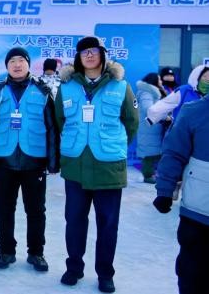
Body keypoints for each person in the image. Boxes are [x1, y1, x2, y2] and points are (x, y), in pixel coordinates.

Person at [55, 36, 138, 293]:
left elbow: (131, 122)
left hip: (108, 167)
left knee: (108, 223)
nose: (89, 55)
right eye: (84, 52)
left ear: (102, 55)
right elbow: (59, 120)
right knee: (74, 221)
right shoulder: (67, 87)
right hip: (76, 165)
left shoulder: (120, 86)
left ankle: (105, 273)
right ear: (78, 58)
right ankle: (74, 268)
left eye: (93, 51)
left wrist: (112, 145)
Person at [0, 47, 58, 272]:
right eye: (12, 61)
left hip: (34, 161)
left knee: (36, 210)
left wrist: (53, 161)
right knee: (4, 210)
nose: (16, 65)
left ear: (28, 63)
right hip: (4, 160)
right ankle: (6, 251)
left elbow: (52, 127)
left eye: (21, 60)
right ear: (6, 66)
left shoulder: (42, 90)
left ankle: (36, 253)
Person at [153, 95, 209, 294]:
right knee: (192, 273)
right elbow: (174, 153)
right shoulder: (194, 111)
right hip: (198, 211)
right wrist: (165, 190)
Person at [136, 73, 166, 184]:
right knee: (148, 153)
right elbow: (148, 108)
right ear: (153, 81)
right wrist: (163, 115)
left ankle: (153, 174)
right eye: (159, 79)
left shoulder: (153, 91)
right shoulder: (146, 92)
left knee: (154, 151)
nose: (161, 81)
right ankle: (148, 176)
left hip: (152, 127)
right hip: (148, 127)